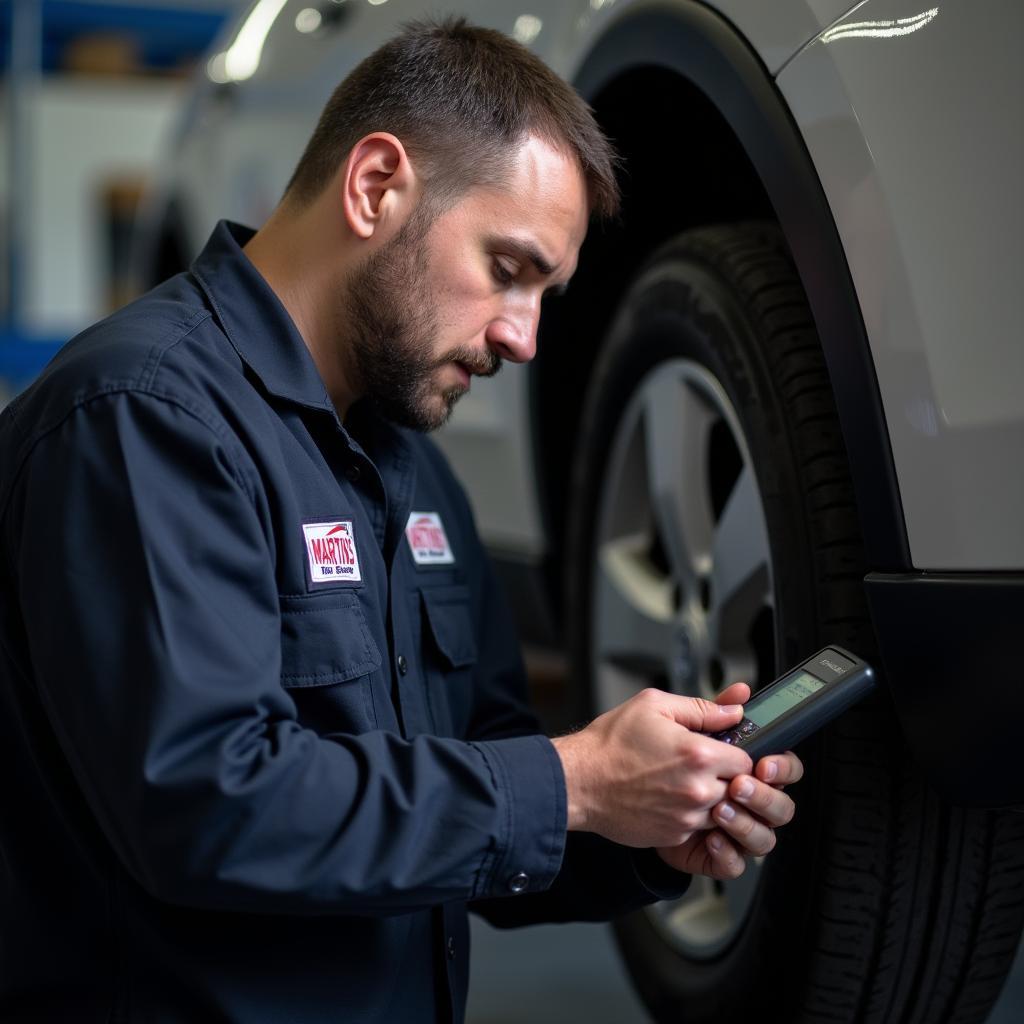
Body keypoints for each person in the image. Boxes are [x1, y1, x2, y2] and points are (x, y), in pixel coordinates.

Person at [0, 18, 802, 1023]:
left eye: (547, 294)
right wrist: (576, 781)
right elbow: (209, 803)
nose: (525, 336)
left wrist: (641, 824)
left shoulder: (410, 466)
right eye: (508, 268)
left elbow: (475, 764)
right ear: (376, 186)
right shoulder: (142, 417)